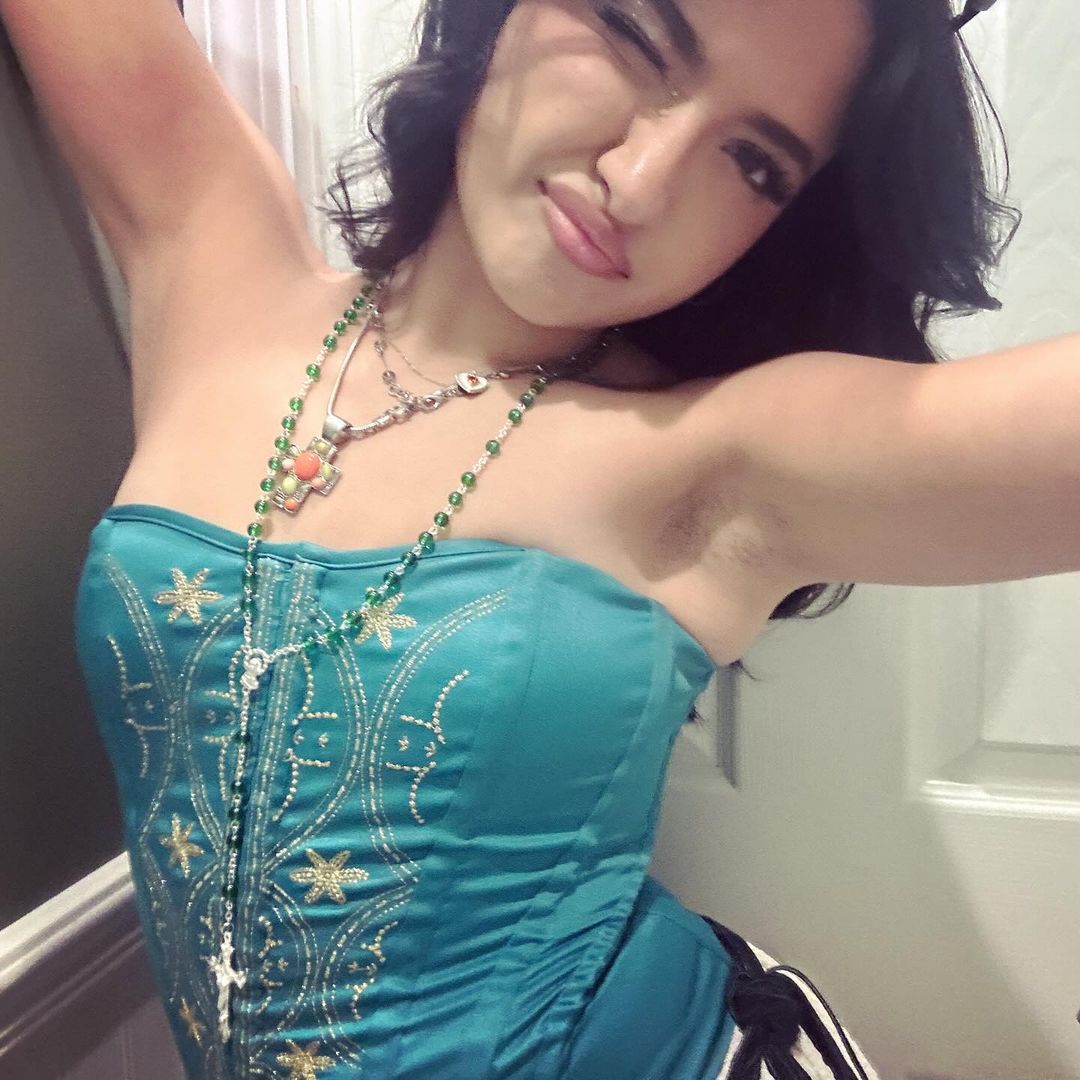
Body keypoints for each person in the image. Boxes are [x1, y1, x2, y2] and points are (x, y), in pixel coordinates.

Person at [8, 0, 1074, 1075]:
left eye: (754, 163)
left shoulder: (714, 460)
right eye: (635, 36)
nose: (641, 182)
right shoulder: (216, 264)